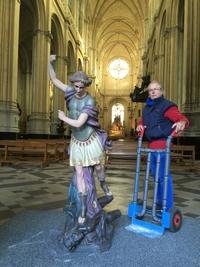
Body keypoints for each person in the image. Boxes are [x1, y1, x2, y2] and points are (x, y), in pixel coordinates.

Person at [48, 55, 112, 225]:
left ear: (86, 86)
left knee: (98, 167)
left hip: (90, 138)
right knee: (79, 175)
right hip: (76, 140)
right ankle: (84, 208)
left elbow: (79, 122)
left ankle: (104, 186)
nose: (77, 89)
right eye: (75, 86)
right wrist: (49, 63)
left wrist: (62, 117)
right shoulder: (70, 92)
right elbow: (54, 79)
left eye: (81, 87)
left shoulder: (90, 100)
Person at [136, 80, 189, 210]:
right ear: (148, 93)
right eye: (150, 90)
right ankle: (159, 202)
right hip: (151, 145)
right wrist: (140, 125)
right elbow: (143, 120)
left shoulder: (167, 106)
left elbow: (181, 118)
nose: (153, 91)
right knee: (156, 176)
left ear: (161, 91)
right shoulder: (147, 109)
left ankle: (166, 205)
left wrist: (182, 122)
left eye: (156, 89)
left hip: (163, 144)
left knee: (163, 176)